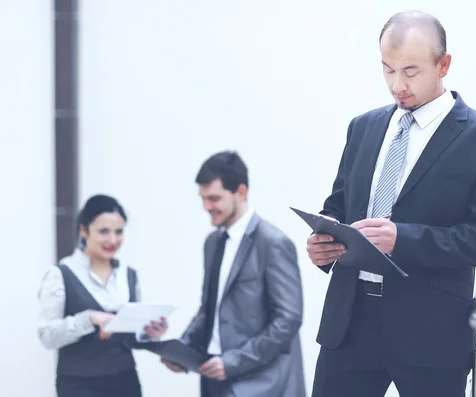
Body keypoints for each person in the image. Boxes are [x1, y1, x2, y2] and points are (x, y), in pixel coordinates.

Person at [306, 10, 476, 397]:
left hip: (430, 334)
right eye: (387, 70)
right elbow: (338, 207)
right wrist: (325, 242)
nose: (396, 85)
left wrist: (400, 239)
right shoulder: (363, 127)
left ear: (444, 65)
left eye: (410, 71)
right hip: (349, 325)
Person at [162, 151, 305, 397]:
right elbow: (210, 309)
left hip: (262, 385)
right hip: (214, 381)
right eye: (203, 199)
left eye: (214, 198)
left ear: (240, 192)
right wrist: (183, 349)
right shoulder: (212, 243)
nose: (207, 207)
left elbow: (288, 319)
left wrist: (233, 362)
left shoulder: (273, 243)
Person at [38, 194, 168, 397]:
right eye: (104, 231)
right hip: (79, 386)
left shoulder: (129, 275)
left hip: (126, 382)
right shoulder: (60, 274)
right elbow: (47, 337)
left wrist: (149, 332)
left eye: (119, 232)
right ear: (84, 230)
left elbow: (131, 336)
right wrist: (89, 318)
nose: (113, 240)